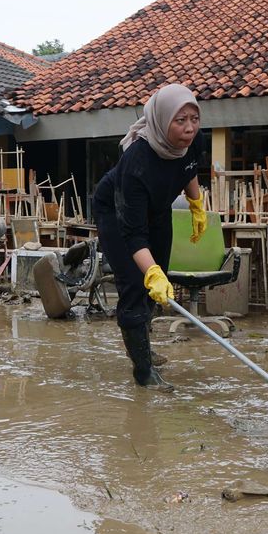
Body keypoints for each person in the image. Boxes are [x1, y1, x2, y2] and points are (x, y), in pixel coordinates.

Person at [93, 84, 207, 392]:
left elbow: (189, 167)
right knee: (136, 282)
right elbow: (132, 234)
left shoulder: (195, 139)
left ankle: (143, 344)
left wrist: (197, 206)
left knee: (161, 283)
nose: (189, 128)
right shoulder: (137, 160)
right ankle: (143, 371)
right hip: (117, 212)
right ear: (161, 120)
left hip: (156, 209)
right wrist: (150, 270)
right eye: (180, 121)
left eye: (193, 118)